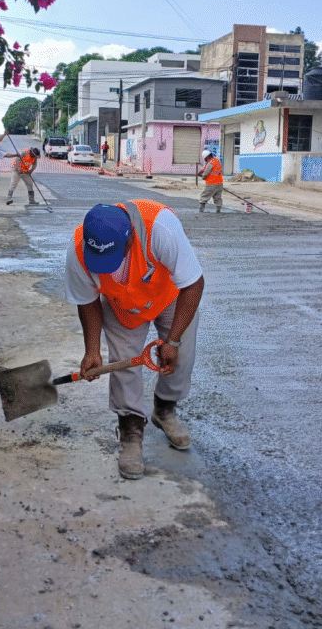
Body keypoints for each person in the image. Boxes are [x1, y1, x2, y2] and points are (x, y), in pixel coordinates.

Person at [64, 200, 205, 480]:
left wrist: (173, 342)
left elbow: (193, 284)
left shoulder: (160, 227)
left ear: (129, 240)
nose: (104, 267)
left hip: (170, 295)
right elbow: (87, 301)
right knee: (123, 363)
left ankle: (164, 410)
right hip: (122, 305)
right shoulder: (78, 249)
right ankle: (130, 430)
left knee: (180, 358)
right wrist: (92, 350)